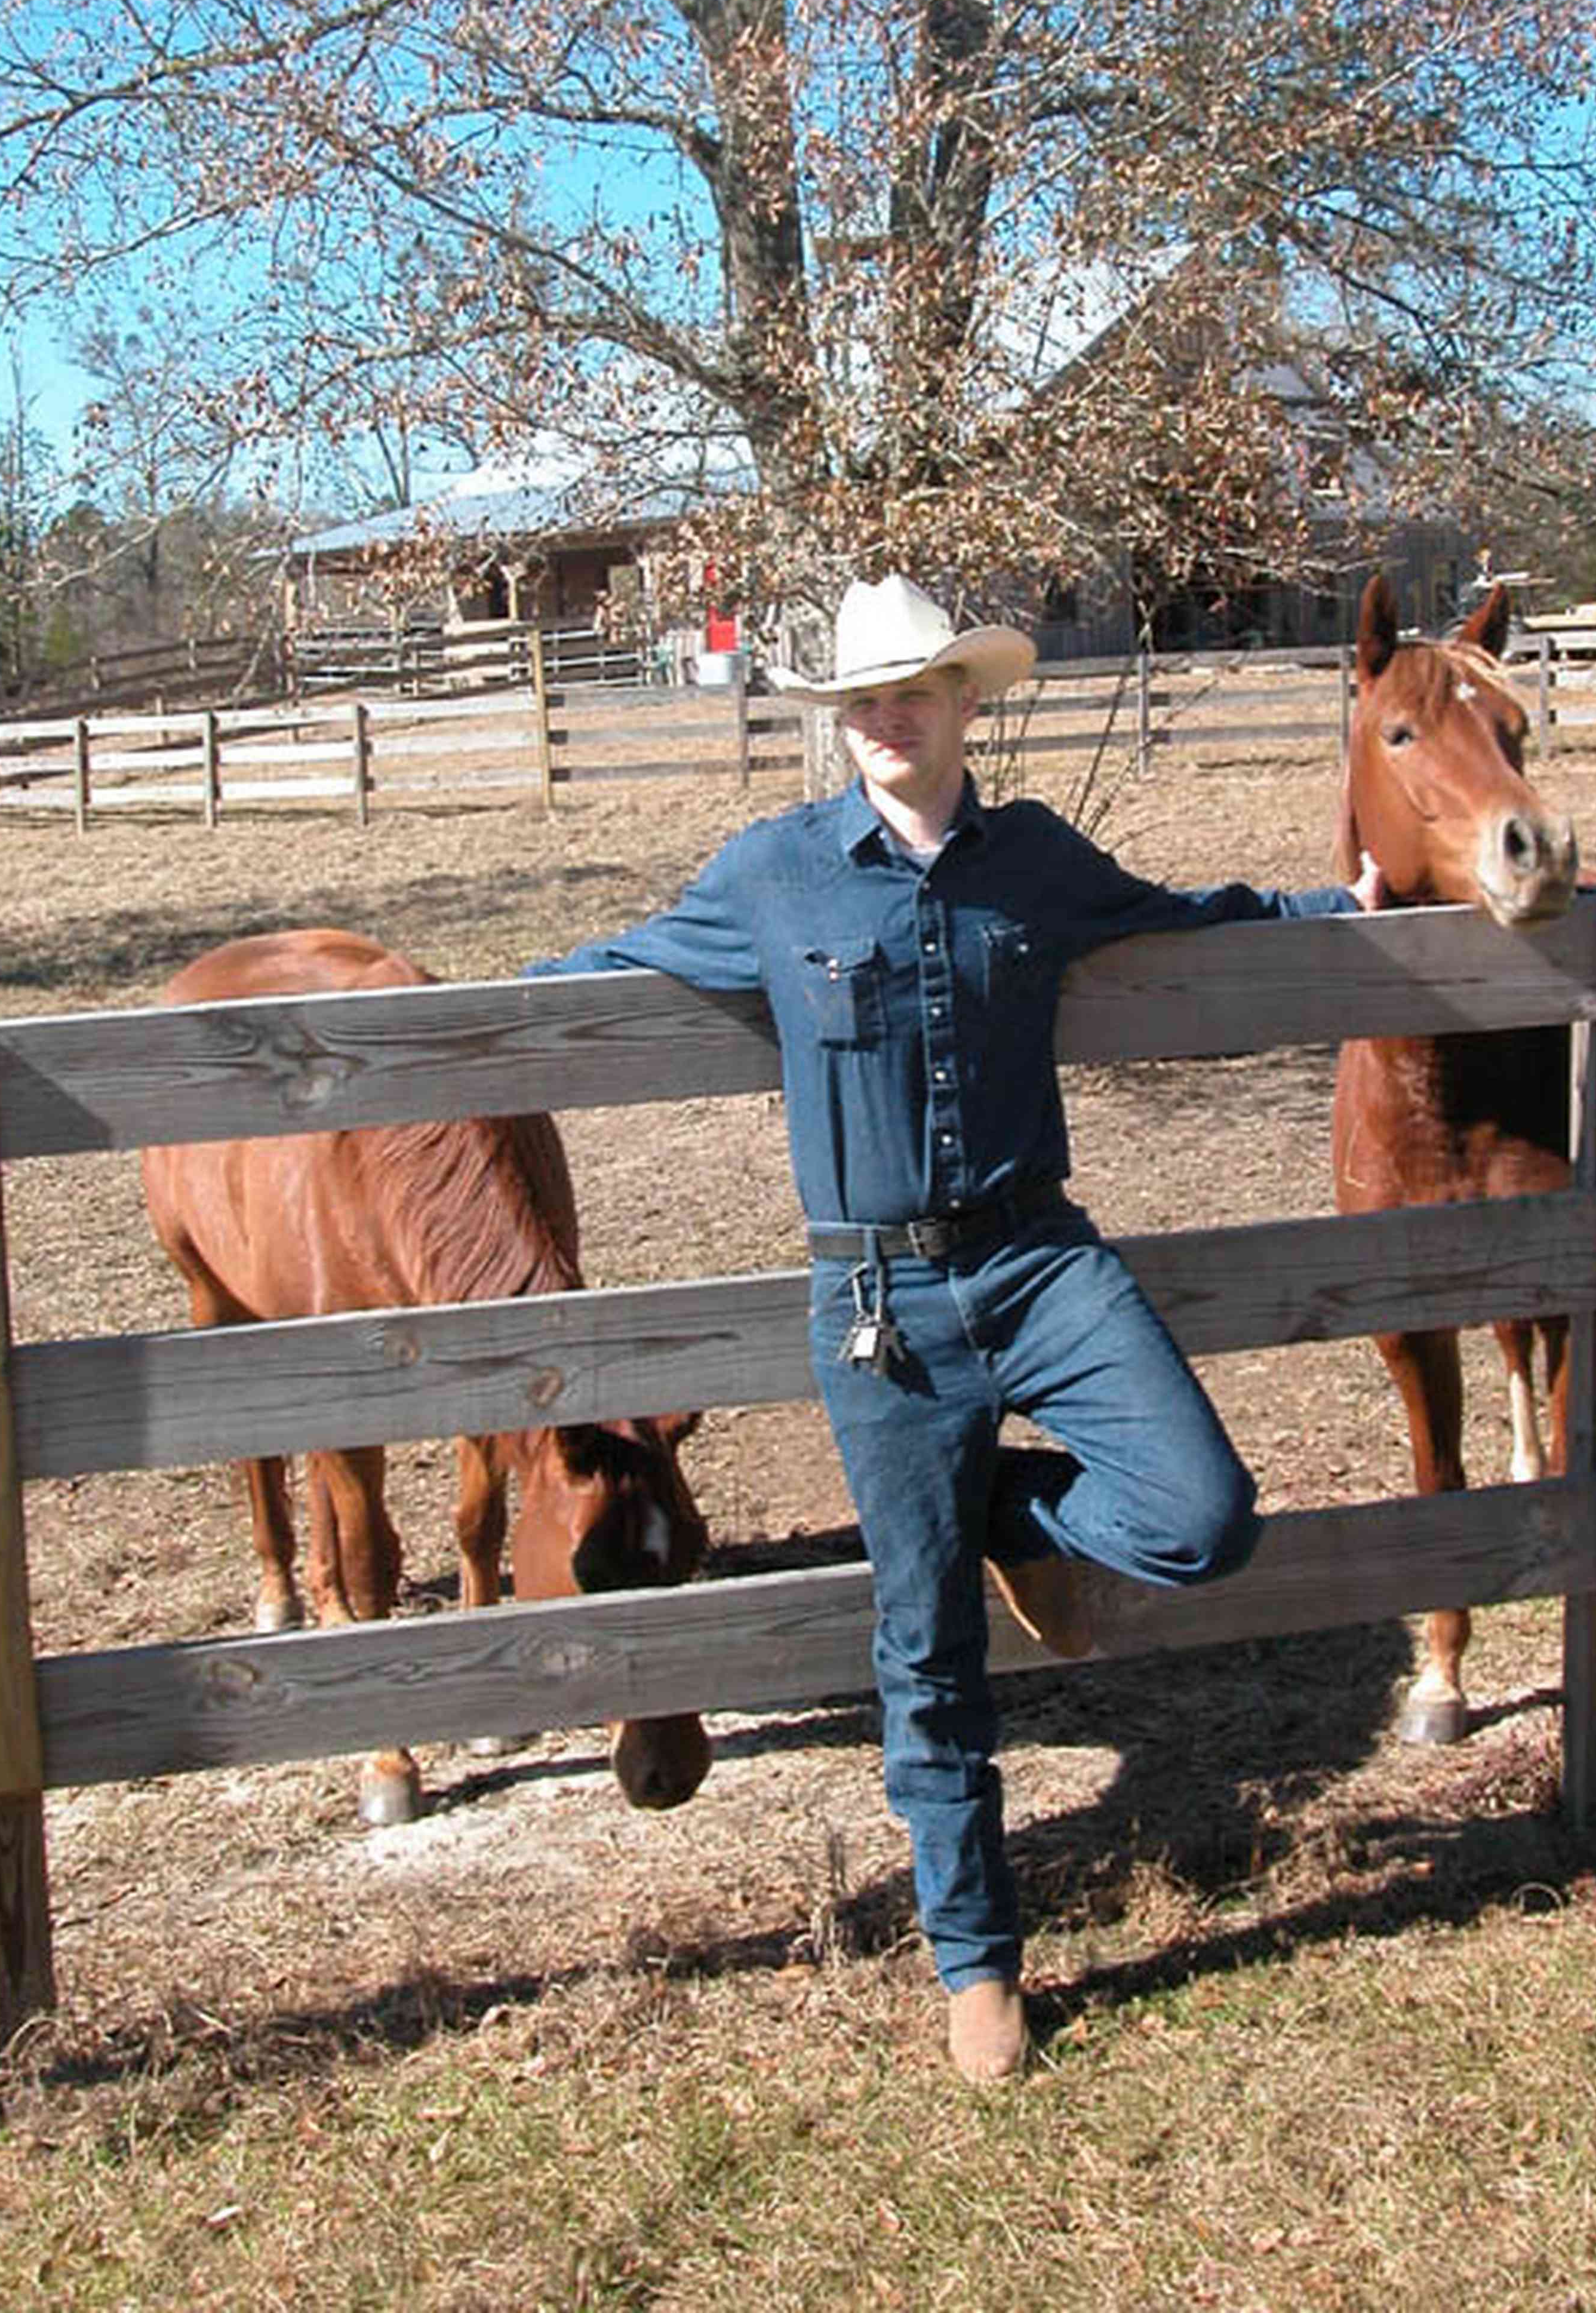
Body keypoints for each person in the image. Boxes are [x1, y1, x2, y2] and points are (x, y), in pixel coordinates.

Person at [527, 572, 1378, 2082]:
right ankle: (976, 1960)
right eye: (861, 698)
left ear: (966, 702)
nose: (886, 717)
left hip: (1039, 1260)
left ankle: (998, 1501)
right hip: (879, 1306)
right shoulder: (772, 874)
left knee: (1201, 1515)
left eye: (914, 689)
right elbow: (597, 970)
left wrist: (1344, 907)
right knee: (924, 1644)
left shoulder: (1032, 857)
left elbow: (1180, 919)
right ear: (836, 718)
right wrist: (418, 1016)